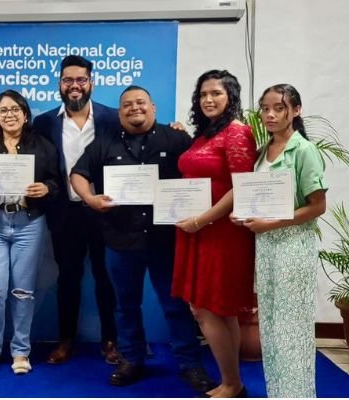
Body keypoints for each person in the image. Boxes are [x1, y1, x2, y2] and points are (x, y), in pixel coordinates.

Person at [69, 86, 216, 392]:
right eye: (126, 105)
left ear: (153, 107)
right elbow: (78, 173)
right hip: (121, 240)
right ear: (119, 111)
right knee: (125, 306)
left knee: (176, 306)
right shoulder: (105, 141)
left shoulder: (176, 139)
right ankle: (131, 360)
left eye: (140, 103)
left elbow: (200, 174)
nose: (134, 108)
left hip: (168, 240)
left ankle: (190, 364)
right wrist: (90, 199)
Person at [233, 84, 327, 397]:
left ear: (296, 110)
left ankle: (297, 394)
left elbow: (317, 206)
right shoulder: (263, 150)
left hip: (292, 246)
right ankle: (278, 392)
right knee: (271, 327)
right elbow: (259, 198)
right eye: (265, 108)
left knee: (292, 328)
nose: (270, 114)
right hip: (267, 246)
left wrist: (270, 222)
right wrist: (244, 215)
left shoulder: (303, 150)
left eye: (279, 107)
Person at [172, 70, 257, 398]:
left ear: (230, 98)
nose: (208, 99)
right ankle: (232, 382)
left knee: (205, 309)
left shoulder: (237, 133)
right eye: (203, 94)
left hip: (221, 232)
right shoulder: (205, 135)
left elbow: (241, 186)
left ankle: (231, 383)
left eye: (216, 94)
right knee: (220, 310)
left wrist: (202, 219)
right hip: (197, 229)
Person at [32, 55, 119, 365]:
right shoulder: (43, 123)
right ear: (59, 84)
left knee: (105, 277)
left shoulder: (112, 118)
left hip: (106, 212)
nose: (74, 86)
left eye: (81, 80)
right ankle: (65, 340)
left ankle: (111, 339)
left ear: (91, 82)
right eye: (68, 80)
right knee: (67, 279)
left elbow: (141, 136)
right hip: (64, 213)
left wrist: (174, 129)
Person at [0, 90, 60, 375]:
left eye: (15, 109)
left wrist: (46, 189)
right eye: (3, 110)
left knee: (22, 292)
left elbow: (56, 182)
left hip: (29, 224)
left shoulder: (43, 146)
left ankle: (21, 352)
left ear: (25, 113)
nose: (9, 115)